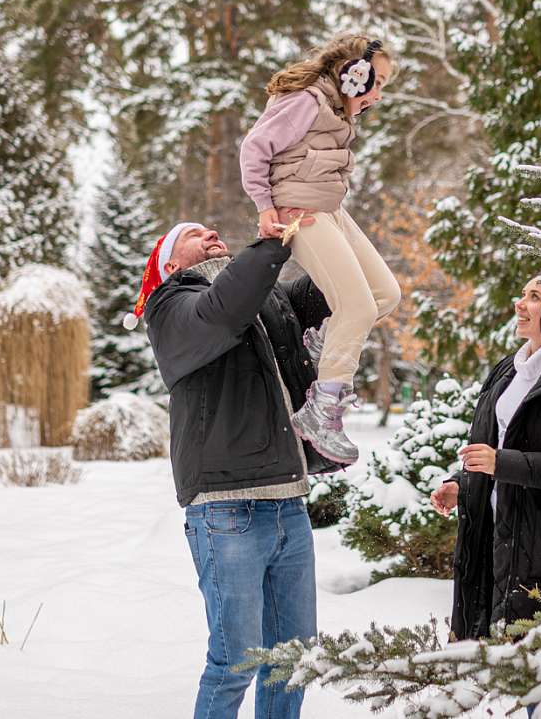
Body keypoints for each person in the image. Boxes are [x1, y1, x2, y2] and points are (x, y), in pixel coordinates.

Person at [125, 220, 343, 719]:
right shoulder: (170, 309)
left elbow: (331, 283)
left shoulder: (266, 299)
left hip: (288, 503)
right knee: (235, 662)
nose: (210, 233)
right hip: (226, 509)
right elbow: (224, 311)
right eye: (193, 234)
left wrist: (324, 220)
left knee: (292, 658)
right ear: (170, 264)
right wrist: (271, 243)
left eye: (211, 229)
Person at [238, 33, 402, 466]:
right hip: (300, 213)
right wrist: (265, 207)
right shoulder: (306, 101)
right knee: (357, 308)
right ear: (354, 74)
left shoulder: (333, 109)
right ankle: (322, 411)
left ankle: (322, 341)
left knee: (385, 295)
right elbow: (254, 149)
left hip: (330, 209)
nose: (378, 96)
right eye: (378, 82)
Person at [430, 277, 541, 643]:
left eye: (534, 297)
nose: (519, 304)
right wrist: (462, 484)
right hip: (498, 537)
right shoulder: (509, 370)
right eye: (522, 295)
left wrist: (499, 463)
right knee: (497, 657)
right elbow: (495, 443)